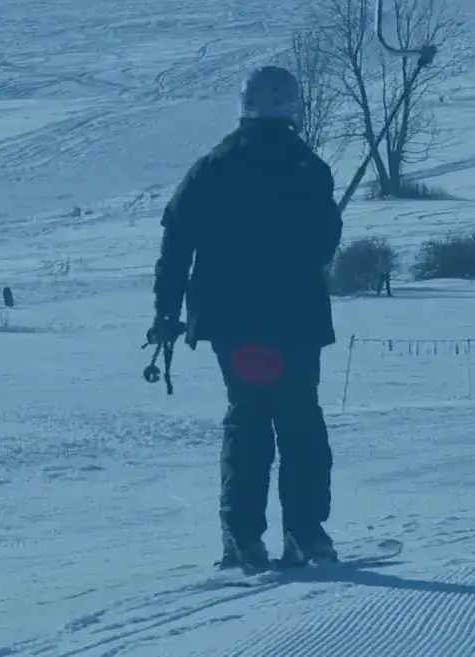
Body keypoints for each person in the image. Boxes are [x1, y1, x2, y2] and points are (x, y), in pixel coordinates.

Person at [148, 65, 343, 574]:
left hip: (232, 325)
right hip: (295, 321)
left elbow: (176, 241)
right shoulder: (308, 167)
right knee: (300, 422)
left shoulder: (212, 166)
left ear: (244, 105)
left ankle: (242, 540)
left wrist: (166, 310)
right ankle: (304, 535)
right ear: (293, 108)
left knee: (248, 419)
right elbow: (324, 246)